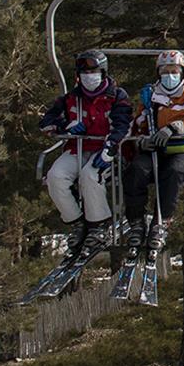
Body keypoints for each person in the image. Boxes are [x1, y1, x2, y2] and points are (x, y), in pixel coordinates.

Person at [38, 49, 131, 266]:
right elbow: (46, 121)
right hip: (77, 148)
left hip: (104, 151)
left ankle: (98, 226)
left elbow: (123, 124)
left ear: (103, 72)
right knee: (56, 177)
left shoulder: (116, 96)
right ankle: (78, 223)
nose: (90, 76)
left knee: (90, 176)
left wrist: (110, 147)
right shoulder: (71, 99)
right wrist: (65, 126)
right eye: (85, 72)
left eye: (94, 71)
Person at [120, 49, 184, 260]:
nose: (169, 75)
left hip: (182, 151)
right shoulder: (151, 96)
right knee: (136, 171)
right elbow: (138, 121)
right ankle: (136, 222)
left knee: (174, 171)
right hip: (154, 149)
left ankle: (161, 221)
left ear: (182, 72)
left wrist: (180, 126)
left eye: (174, 71)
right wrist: (142, 136)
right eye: (164, 71)